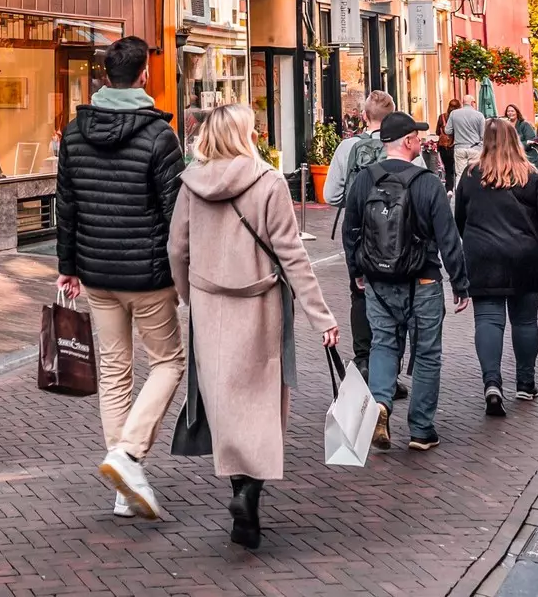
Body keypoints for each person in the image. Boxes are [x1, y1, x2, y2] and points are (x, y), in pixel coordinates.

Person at [169, 104, 337, 550]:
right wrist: (323, 316)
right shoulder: (268, 182)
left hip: (208, 304)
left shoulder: (191, 184)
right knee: (260, 403)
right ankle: (250, 492)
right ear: (245, 134)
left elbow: (176, 249)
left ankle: (238, 491)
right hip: (258, 302)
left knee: (222, 402)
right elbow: (293, 255)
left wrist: (189, 295)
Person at [54, 35, 185, 520]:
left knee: (114, 372)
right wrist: (183, 274)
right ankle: (127, 455)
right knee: (169, 362)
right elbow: (175, 216)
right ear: (145, 74)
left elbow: (65, 205)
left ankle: (122, 486)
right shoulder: (159, 136)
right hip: (148, 275)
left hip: (95, 272)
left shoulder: (74, 132)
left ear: (105, 77)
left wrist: (67, 266)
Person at [343, 110, 469, 452]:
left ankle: (381, 403)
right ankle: (421, 430)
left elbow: (350, 231)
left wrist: (356, 272)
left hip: (378, 282)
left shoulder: (365, 180)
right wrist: (460, 284)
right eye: (417, 136)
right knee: (427, 354)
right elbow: (448, 238)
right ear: (409, 142)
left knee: (384, 345)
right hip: (424, 281)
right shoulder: (427, 183)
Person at [453, 118, 538, 416]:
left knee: (487, 319)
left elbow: (459, 218)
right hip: (526, 257)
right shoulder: (531, 176)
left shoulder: (471, 176)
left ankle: (492, 383)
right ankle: (525, 383)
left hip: (483, 258)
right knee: (525, 322)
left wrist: (467, 248)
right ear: (516, 141)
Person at [322, 91, 395, 373]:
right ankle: (388, 365)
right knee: (395, 293)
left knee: (359, 291)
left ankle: (363, 359)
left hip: (358, 229)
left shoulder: (347, 147)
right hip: (395, 230)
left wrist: (354, 201)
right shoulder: (401, 144)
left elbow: (331, 194)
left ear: (364, 116)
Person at [443, 96, 486, 183]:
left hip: (459, 147)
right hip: (475, 148)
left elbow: (447, 131)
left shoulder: (454, 114)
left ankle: (460, 194)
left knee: (460, 174)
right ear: (473, 103)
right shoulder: (479, 115)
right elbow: (483, 135)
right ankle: (473, 194)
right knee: (475, 173)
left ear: (463, 103)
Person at [432, 101, 459, 189]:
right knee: (458, 169)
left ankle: (449, 189)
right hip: (455, 145)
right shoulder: (458, 118)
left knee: (448, 169)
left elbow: (437, 132)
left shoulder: (442, 117)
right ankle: (458, 188)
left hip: (443, 146)